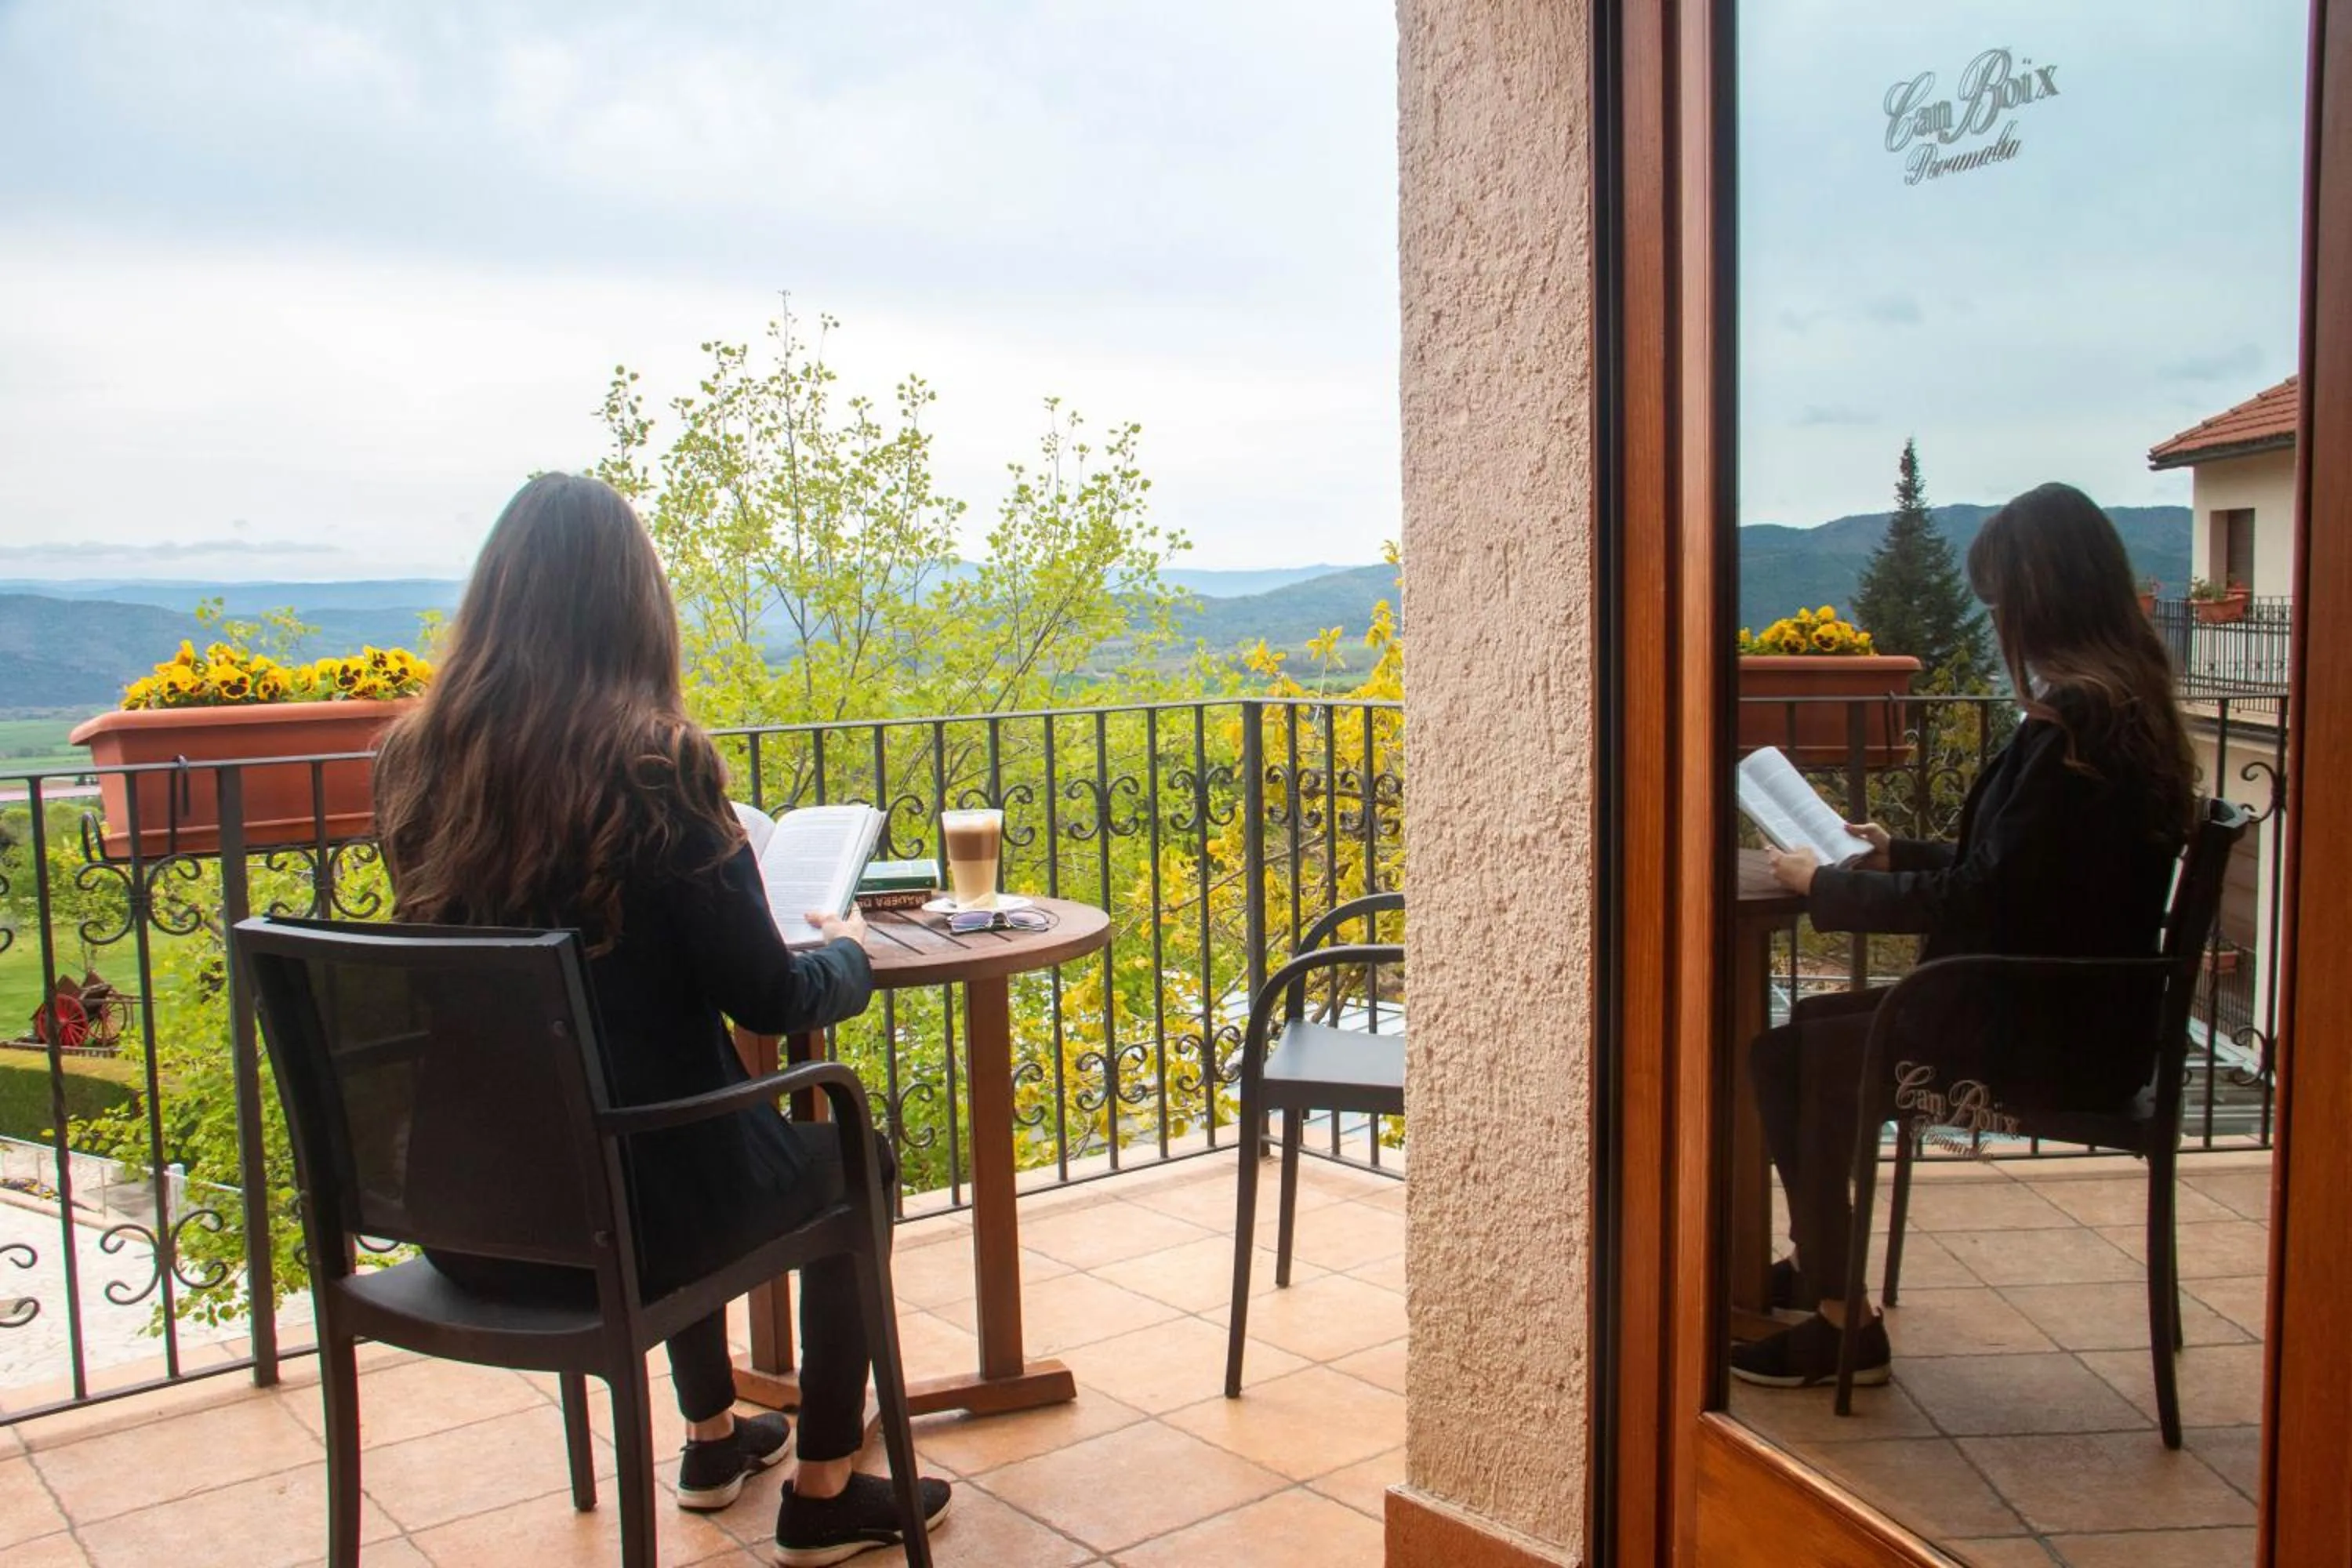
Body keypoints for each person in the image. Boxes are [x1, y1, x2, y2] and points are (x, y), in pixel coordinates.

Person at [373, 472, 950, 1562]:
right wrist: (848, 959)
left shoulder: (417, 765)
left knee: (670, 1116)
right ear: (636, 607)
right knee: (847, 1157)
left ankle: (713, 1434)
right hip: (631, 1218)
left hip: (470, 1218)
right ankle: (826, 1489)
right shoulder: (658, 768)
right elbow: (770, 999)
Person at [1730, 481, 2198, 1389]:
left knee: (1794, 1058)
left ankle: (1840, 1317)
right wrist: (1892, 849)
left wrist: (1821, 880)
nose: (1995, 623)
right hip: (2069, 1013)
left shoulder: (2077, 729)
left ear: (2036, 602)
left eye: (1999, 603)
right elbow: (2024, 871)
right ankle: (1825, 1265)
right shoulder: (2115, 713)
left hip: (2039, 1039)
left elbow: (1983, 899)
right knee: (1802, 1041)